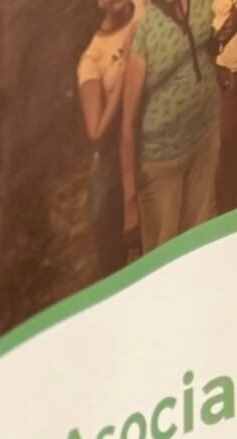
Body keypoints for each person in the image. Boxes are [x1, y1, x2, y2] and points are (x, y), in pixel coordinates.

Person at [123, 0, 220, 249]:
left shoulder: (201, 5)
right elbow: (128, 122)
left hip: (205, 137)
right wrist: (130, 199)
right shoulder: (143, 29)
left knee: (202, 235)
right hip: (162, 159)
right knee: (165, 250)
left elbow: (208, 47)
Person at [79, 0, 142, 276]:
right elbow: (96, 132)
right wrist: (125, 74)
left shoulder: (144, 8)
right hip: (113, 160)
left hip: (155, 138)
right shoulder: (92, 59)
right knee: (118, 254)